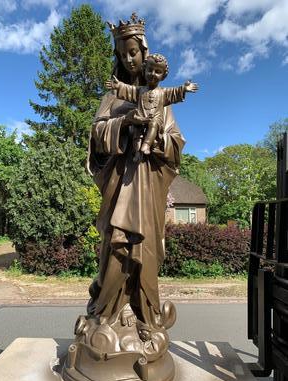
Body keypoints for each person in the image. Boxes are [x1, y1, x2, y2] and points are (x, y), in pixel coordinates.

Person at [86, 13, 195, 331]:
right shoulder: (113, 96)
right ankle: (105, 315)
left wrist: (158, 137)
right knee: (116, 250)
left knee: (144, 251)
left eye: (132, 51)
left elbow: (176, 143)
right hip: (120, 185)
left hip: (147, 188)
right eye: (122, 54)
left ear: (145, 53)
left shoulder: (161, 99)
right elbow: (97, 135)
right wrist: (125, 122)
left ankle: (147, 316)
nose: (128, 59)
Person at [105, 53, 198, 159]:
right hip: (141, 118)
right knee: (136, 130)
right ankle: (137, 152)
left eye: (158, 72)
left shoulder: (164, 92)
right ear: (144, 71)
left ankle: (146, 145)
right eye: (150, 70)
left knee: (154, 123)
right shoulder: (139, 90)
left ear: (163, 76)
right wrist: (118, 86)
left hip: (155, 120)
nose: (153, 74)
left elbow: (175, 92)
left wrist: (183, 88)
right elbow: (128, 90)